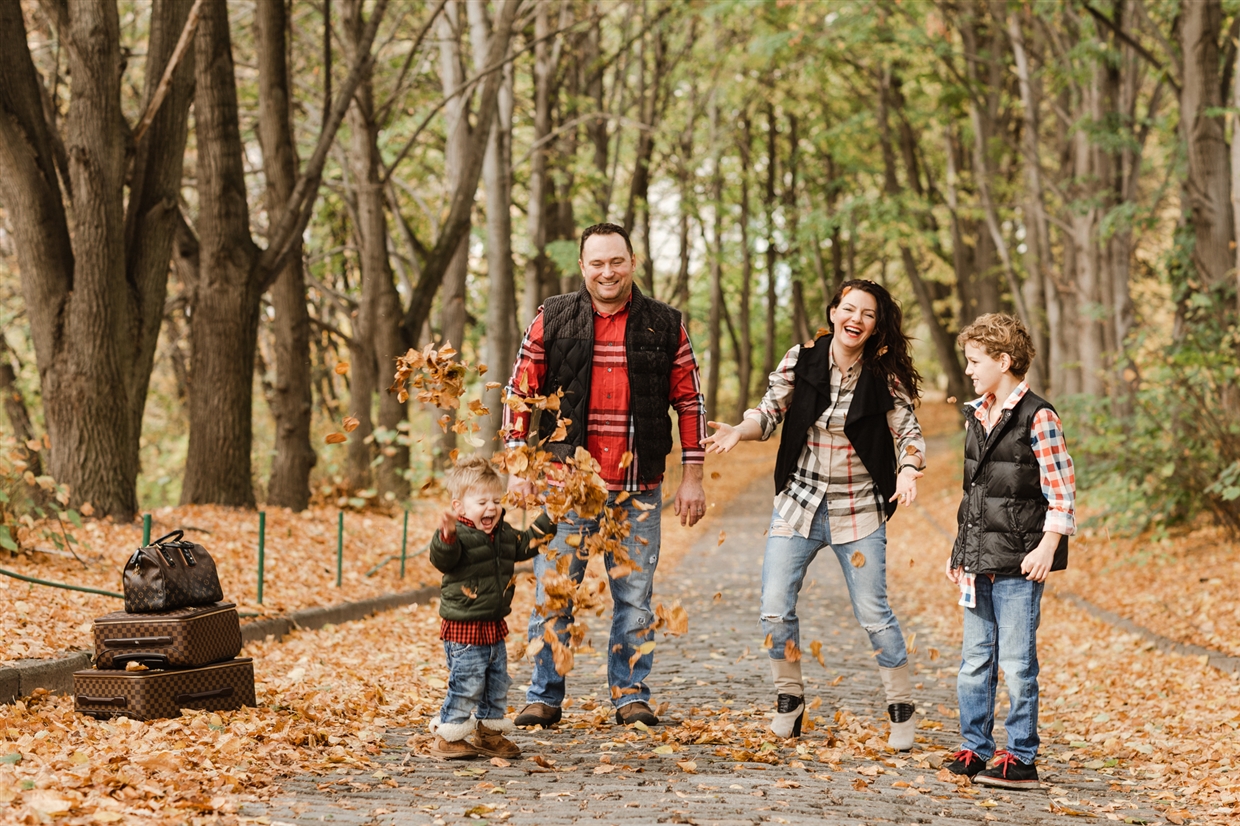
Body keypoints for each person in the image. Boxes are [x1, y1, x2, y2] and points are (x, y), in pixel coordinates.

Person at [702, 279, 926, 750]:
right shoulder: (800, 360)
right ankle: (789, 698)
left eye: (867, 313)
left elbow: (908, 434)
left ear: (875, 325)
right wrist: (737, 433)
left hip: (859, 509)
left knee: (874, 614)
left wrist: (907, 472)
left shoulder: (885, 377)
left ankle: (901, 707)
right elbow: (768, 413)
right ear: (832, 313)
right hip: (798, 504)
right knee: (774, 608)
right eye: (849, 309)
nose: (856, 319)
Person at [503, 222, 707, 728]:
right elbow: (519, 391)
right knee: (554, 591)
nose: (607, 271)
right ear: (582, 266)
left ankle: (630, 694)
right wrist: (516, 466)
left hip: (638, 484)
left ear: (632, 262)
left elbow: (690, 400)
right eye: (597, 262)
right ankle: (544, 695)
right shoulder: (553, 317)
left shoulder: (664, 323)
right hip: (566, 485)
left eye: (616, 261)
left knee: (635, 598)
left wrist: (693, 476)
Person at [944, 313, 1075, 790]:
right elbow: (974, 494)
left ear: (1004, 360)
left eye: (976, 361)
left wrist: (1047, 546)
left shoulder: (1038, 416)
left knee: (1017, 663)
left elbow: (1061, 492)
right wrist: (961, 549)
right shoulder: (976, 414)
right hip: (978, 563)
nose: (970, 371)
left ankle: (1020, 756)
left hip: (1021, 565)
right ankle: (975, 747)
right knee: (975, 660)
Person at [427, 455, 557, 760]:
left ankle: (488, 733)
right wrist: (446, 536)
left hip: (493, 626)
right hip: (465, 629)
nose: (491, 508)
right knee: (468, 682)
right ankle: (449, 734)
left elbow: (525, 544)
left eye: (496, 500)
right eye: (482, 501)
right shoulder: (457, 536)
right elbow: (442, 559)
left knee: (497, 682)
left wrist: (549, 517)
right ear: (460, 507)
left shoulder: (502, 532)